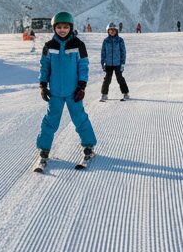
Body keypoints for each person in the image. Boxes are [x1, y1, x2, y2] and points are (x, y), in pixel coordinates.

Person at [36, 11, 96, 165]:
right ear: (54, 28)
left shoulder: (78, 45)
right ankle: (44, 149)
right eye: (59, 27)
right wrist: (43, 85)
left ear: (71, 27)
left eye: (65, 27)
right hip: (55, 92)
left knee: (80, 119)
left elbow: (83, 66)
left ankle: (89, 146)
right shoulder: (49, 46)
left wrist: (81, 86)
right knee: (50, 120)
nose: (62, 30)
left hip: (73, 91)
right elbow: (44, 67)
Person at [100, 22, 130, 101]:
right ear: (108, 31)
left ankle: (126, 93)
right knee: (107, 79)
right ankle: (104, 94)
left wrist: (122, 63)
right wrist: (103, 63)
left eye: (114, 30)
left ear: (116, 31)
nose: (112, 31)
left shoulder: (120, 40)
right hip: (108, 63)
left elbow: (123, 52)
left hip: (118, 63)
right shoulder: (106, 41)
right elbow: (103, 52)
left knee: (120, 78)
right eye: (110, 30)